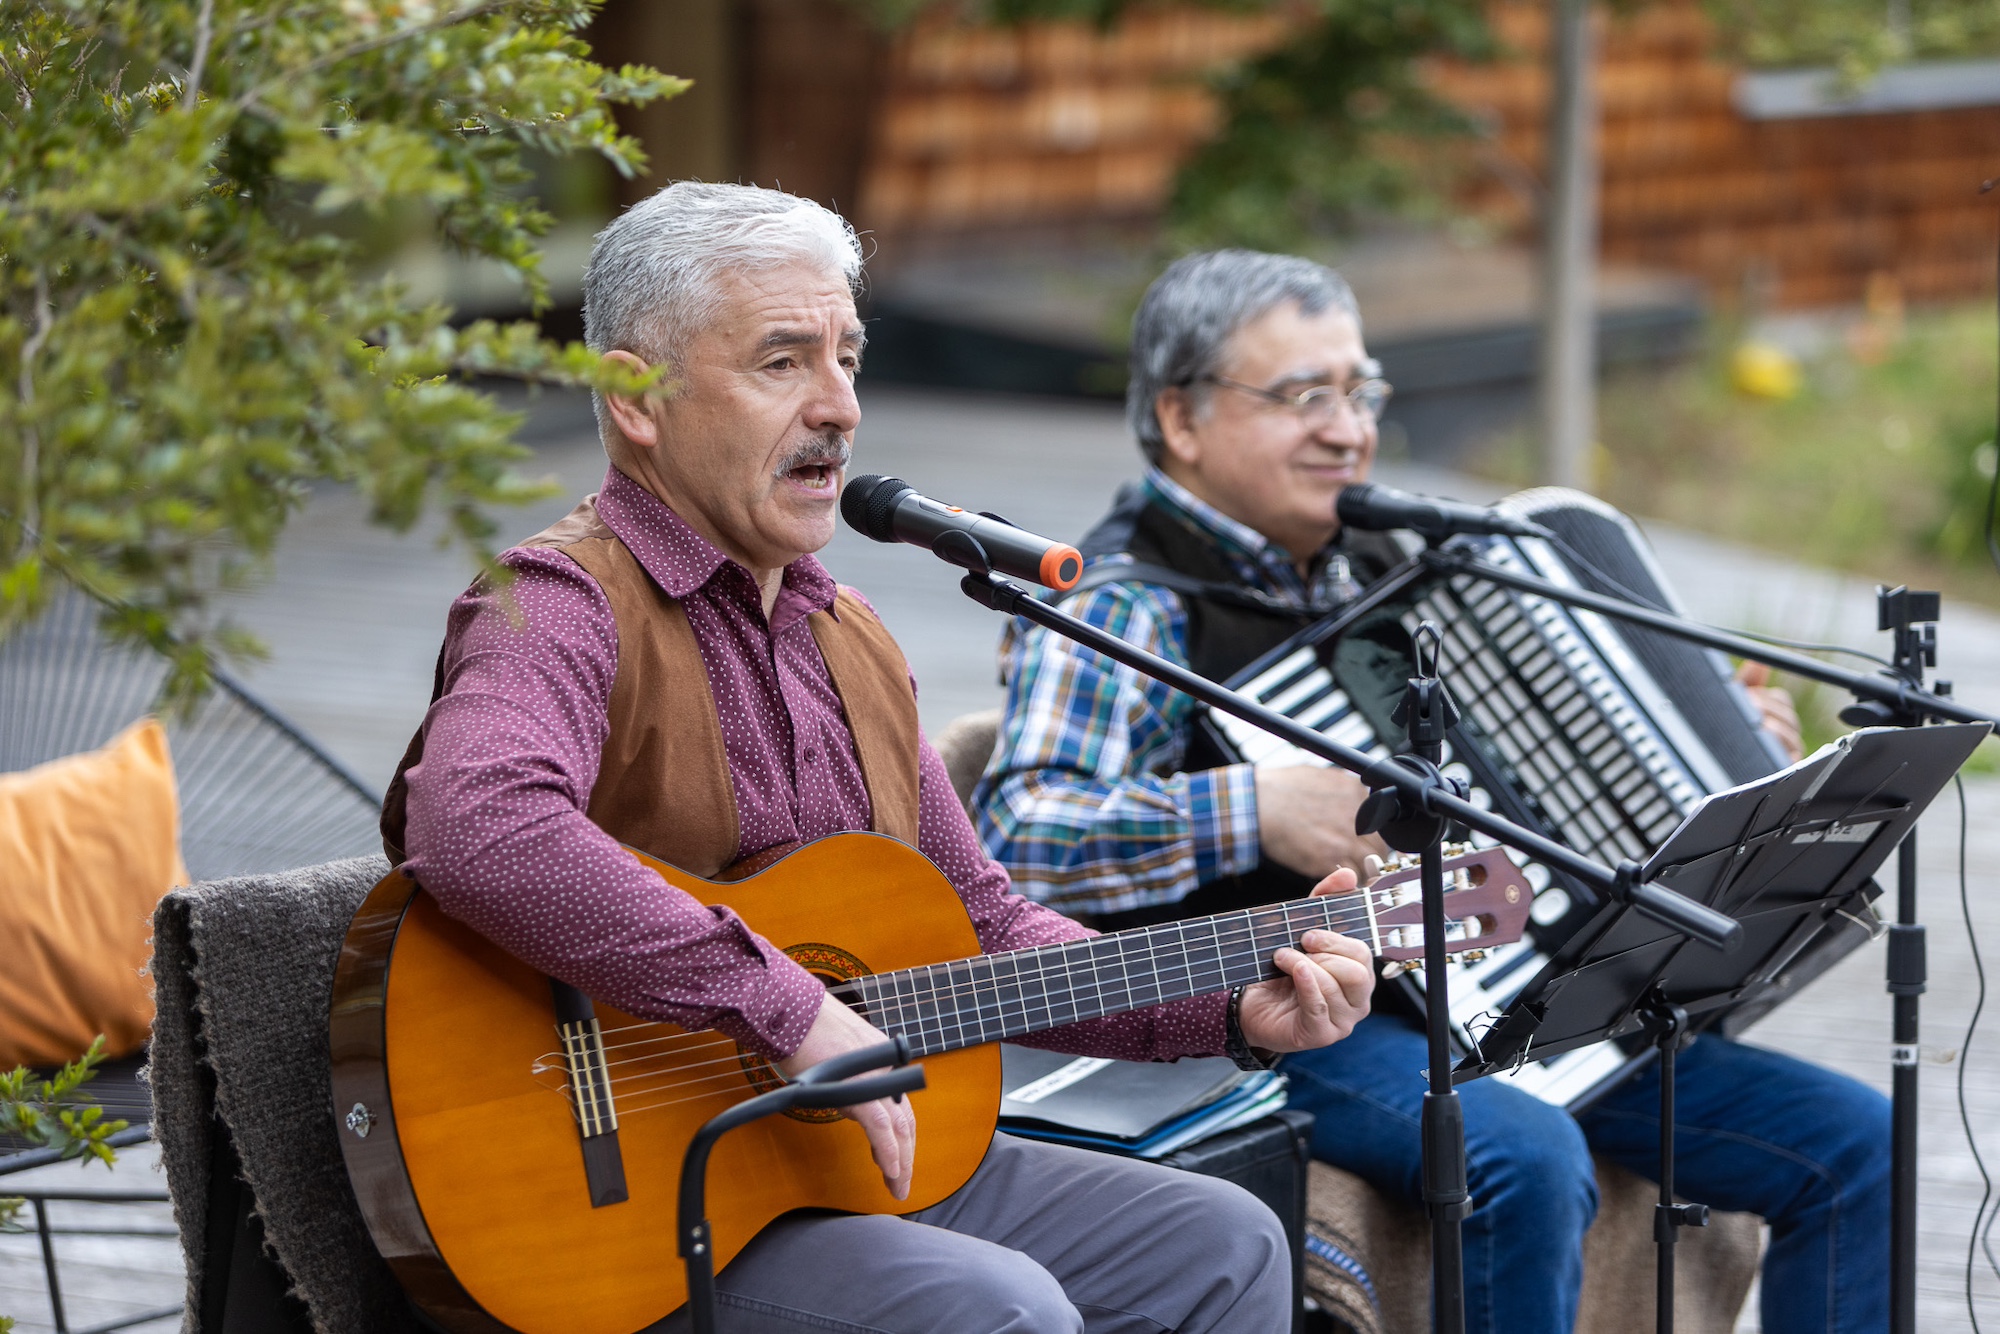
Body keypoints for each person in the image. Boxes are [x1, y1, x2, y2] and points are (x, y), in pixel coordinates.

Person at [381, 186, 1377, 1334]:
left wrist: (1230, 1005)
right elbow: (478, 825)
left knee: (1222, 1243)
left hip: (840, 1161)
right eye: (782, 362)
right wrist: (780, 1003)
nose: (839, 407)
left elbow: (986, 927)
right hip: (635, 1198)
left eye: (847, 357)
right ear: (634, 396)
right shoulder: (554, 601)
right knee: (1000, 1311)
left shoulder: (849, 635)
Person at [976, 248, 1888, 1334]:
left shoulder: (1394, 567)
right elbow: (1018, 830)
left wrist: (1728, 751)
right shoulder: (1125, 604)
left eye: (1360, 390)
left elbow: (1532, 791)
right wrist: (1252, 806)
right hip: (1277, 1010)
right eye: (1302, 395)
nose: (1346, 427)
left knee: (1856, 1144)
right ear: (1181, 417)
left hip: (1501, 992)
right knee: (1521, 1153)